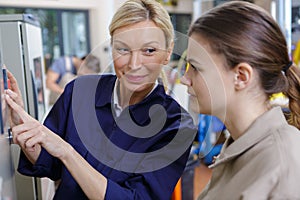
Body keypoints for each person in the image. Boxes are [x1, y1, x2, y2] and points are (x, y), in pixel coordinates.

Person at [5, 0, 197, 199]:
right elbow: (51, 166)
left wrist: (67, 152)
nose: (134, 64)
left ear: (167, 53)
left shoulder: (176, 126)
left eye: (149, 51)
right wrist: (27, 133)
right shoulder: (79, 92)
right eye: (123, 49)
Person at [180, 1, 300, 199]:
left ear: (241, 76)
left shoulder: (281, 165)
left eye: (196, 67)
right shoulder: (239, 148)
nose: (185, 79)